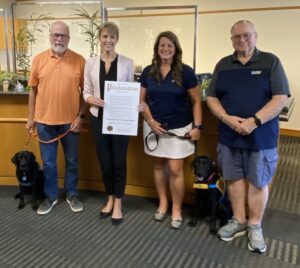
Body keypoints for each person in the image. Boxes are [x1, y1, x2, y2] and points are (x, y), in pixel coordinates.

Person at [206, 20, 290, 253]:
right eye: (236, 37)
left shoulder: (270, 62)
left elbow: (280, 97)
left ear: (255, 36)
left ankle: (254, 225)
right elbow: (211, 97)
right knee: (233, 178)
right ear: (231, 39)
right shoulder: (223, 65)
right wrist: (226, 118)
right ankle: (239, 220)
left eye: (246, 35)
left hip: (260, 135)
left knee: (258, 181)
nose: (241, 40)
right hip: (229, 134)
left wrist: (254, 121)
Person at [140, 31, 202, 229]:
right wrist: (150, 121)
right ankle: (163, 202)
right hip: (154, 127)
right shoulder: (148, 71)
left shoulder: (186, 72)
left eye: (169, 45)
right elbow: (141, 101)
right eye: (162, 45)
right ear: (157, 49)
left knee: (175, 169)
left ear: (176, 49)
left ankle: (176, 208)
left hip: (179, 128)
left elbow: (196, 102)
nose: (165, 49)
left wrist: (198, 126)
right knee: (158, 165)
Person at [26, 21, 86, 215]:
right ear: (50, 36)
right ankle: (51, 196)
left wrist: (80, 116)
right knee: (49, 163)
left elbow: (86, 92)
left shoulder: (79, 60)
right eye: (55, 35)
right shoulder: (38, 59)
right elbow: (33, 91)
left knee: (72, 161)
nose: (59, 39)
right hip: (44, 122)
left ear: (69, 38)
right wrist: (30, 118)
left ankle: (72, 194)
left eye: (63, 35)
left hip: (71, 123)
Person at [83, 22, 135, 225]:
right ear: (99, 38)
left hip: (120, 119)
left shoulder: (127, 62)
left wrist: (135, 106)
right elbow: (86, 91)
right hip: (98, 117)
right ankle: (110, 198)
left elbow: (131, 90)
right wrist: (91, 100)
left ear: (117, 39)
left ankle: (119, 203)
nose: (108, 41)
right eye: (105, 36)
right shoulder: (91, 63)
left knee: (118, 161)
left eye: (112, 37)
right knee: (105, 162)